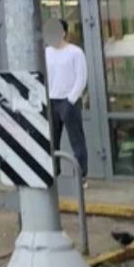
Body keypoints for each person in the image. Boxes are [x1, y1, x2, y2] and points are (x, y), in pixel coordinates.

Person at [44, 19, 88, 179]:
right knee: (51, 140)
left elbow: (81, 79)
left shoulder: (75, 52)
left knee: (76, 140)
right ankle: (54, 174)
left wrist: (70, 100)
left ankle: (81, 176)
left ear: (63, 33)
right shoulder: (46, 53)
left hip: (68, 101)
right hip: (50, 101)